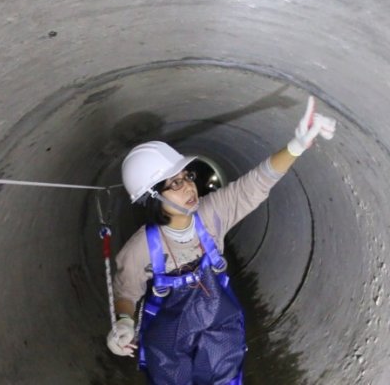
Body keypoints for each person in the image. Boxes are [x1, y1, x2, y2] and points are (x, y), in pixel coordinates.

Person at [106, 96, 337, 384]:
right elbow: (126, 291)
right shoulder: (142, 247)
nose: (189, 186)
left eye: (186, 176)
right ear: (152, 197)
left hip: (219, 329)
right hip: (168, 340)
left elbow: (256, 183)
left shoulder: (213, 213)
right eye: (175, 183)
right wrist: (125, 323)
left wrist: (296, 146)